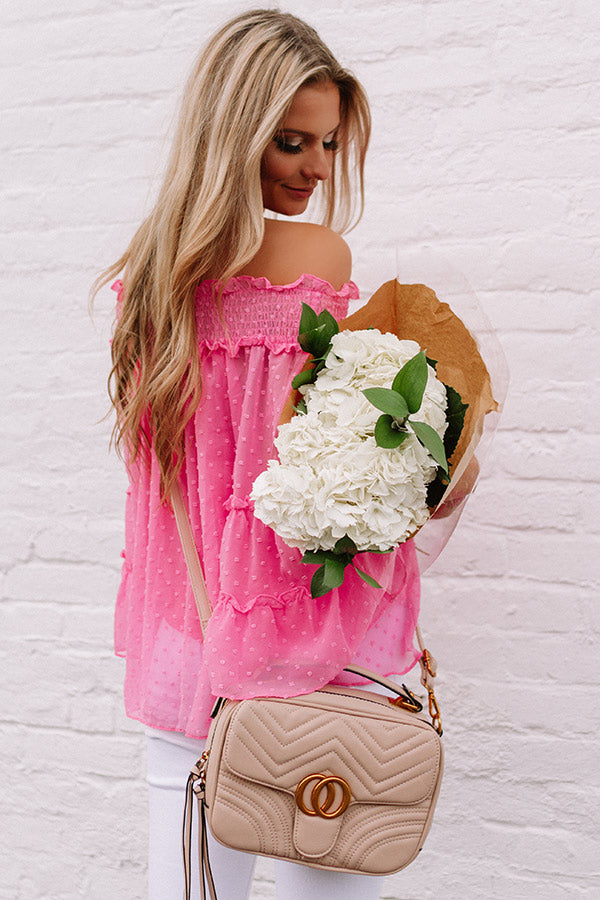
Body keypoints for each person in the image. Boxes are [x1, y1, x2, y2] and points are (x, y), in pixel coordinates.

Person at [96, 9, 423, 899]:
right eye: (292, 142)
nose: (317, 169)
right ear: (233, 134)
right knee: (333, 866)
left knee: (188, 882)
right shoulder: (313, 256)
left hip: (191, 626)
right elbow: (322, 452)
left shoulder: (148, 284)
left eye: (328, 144)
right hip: (311, 623)